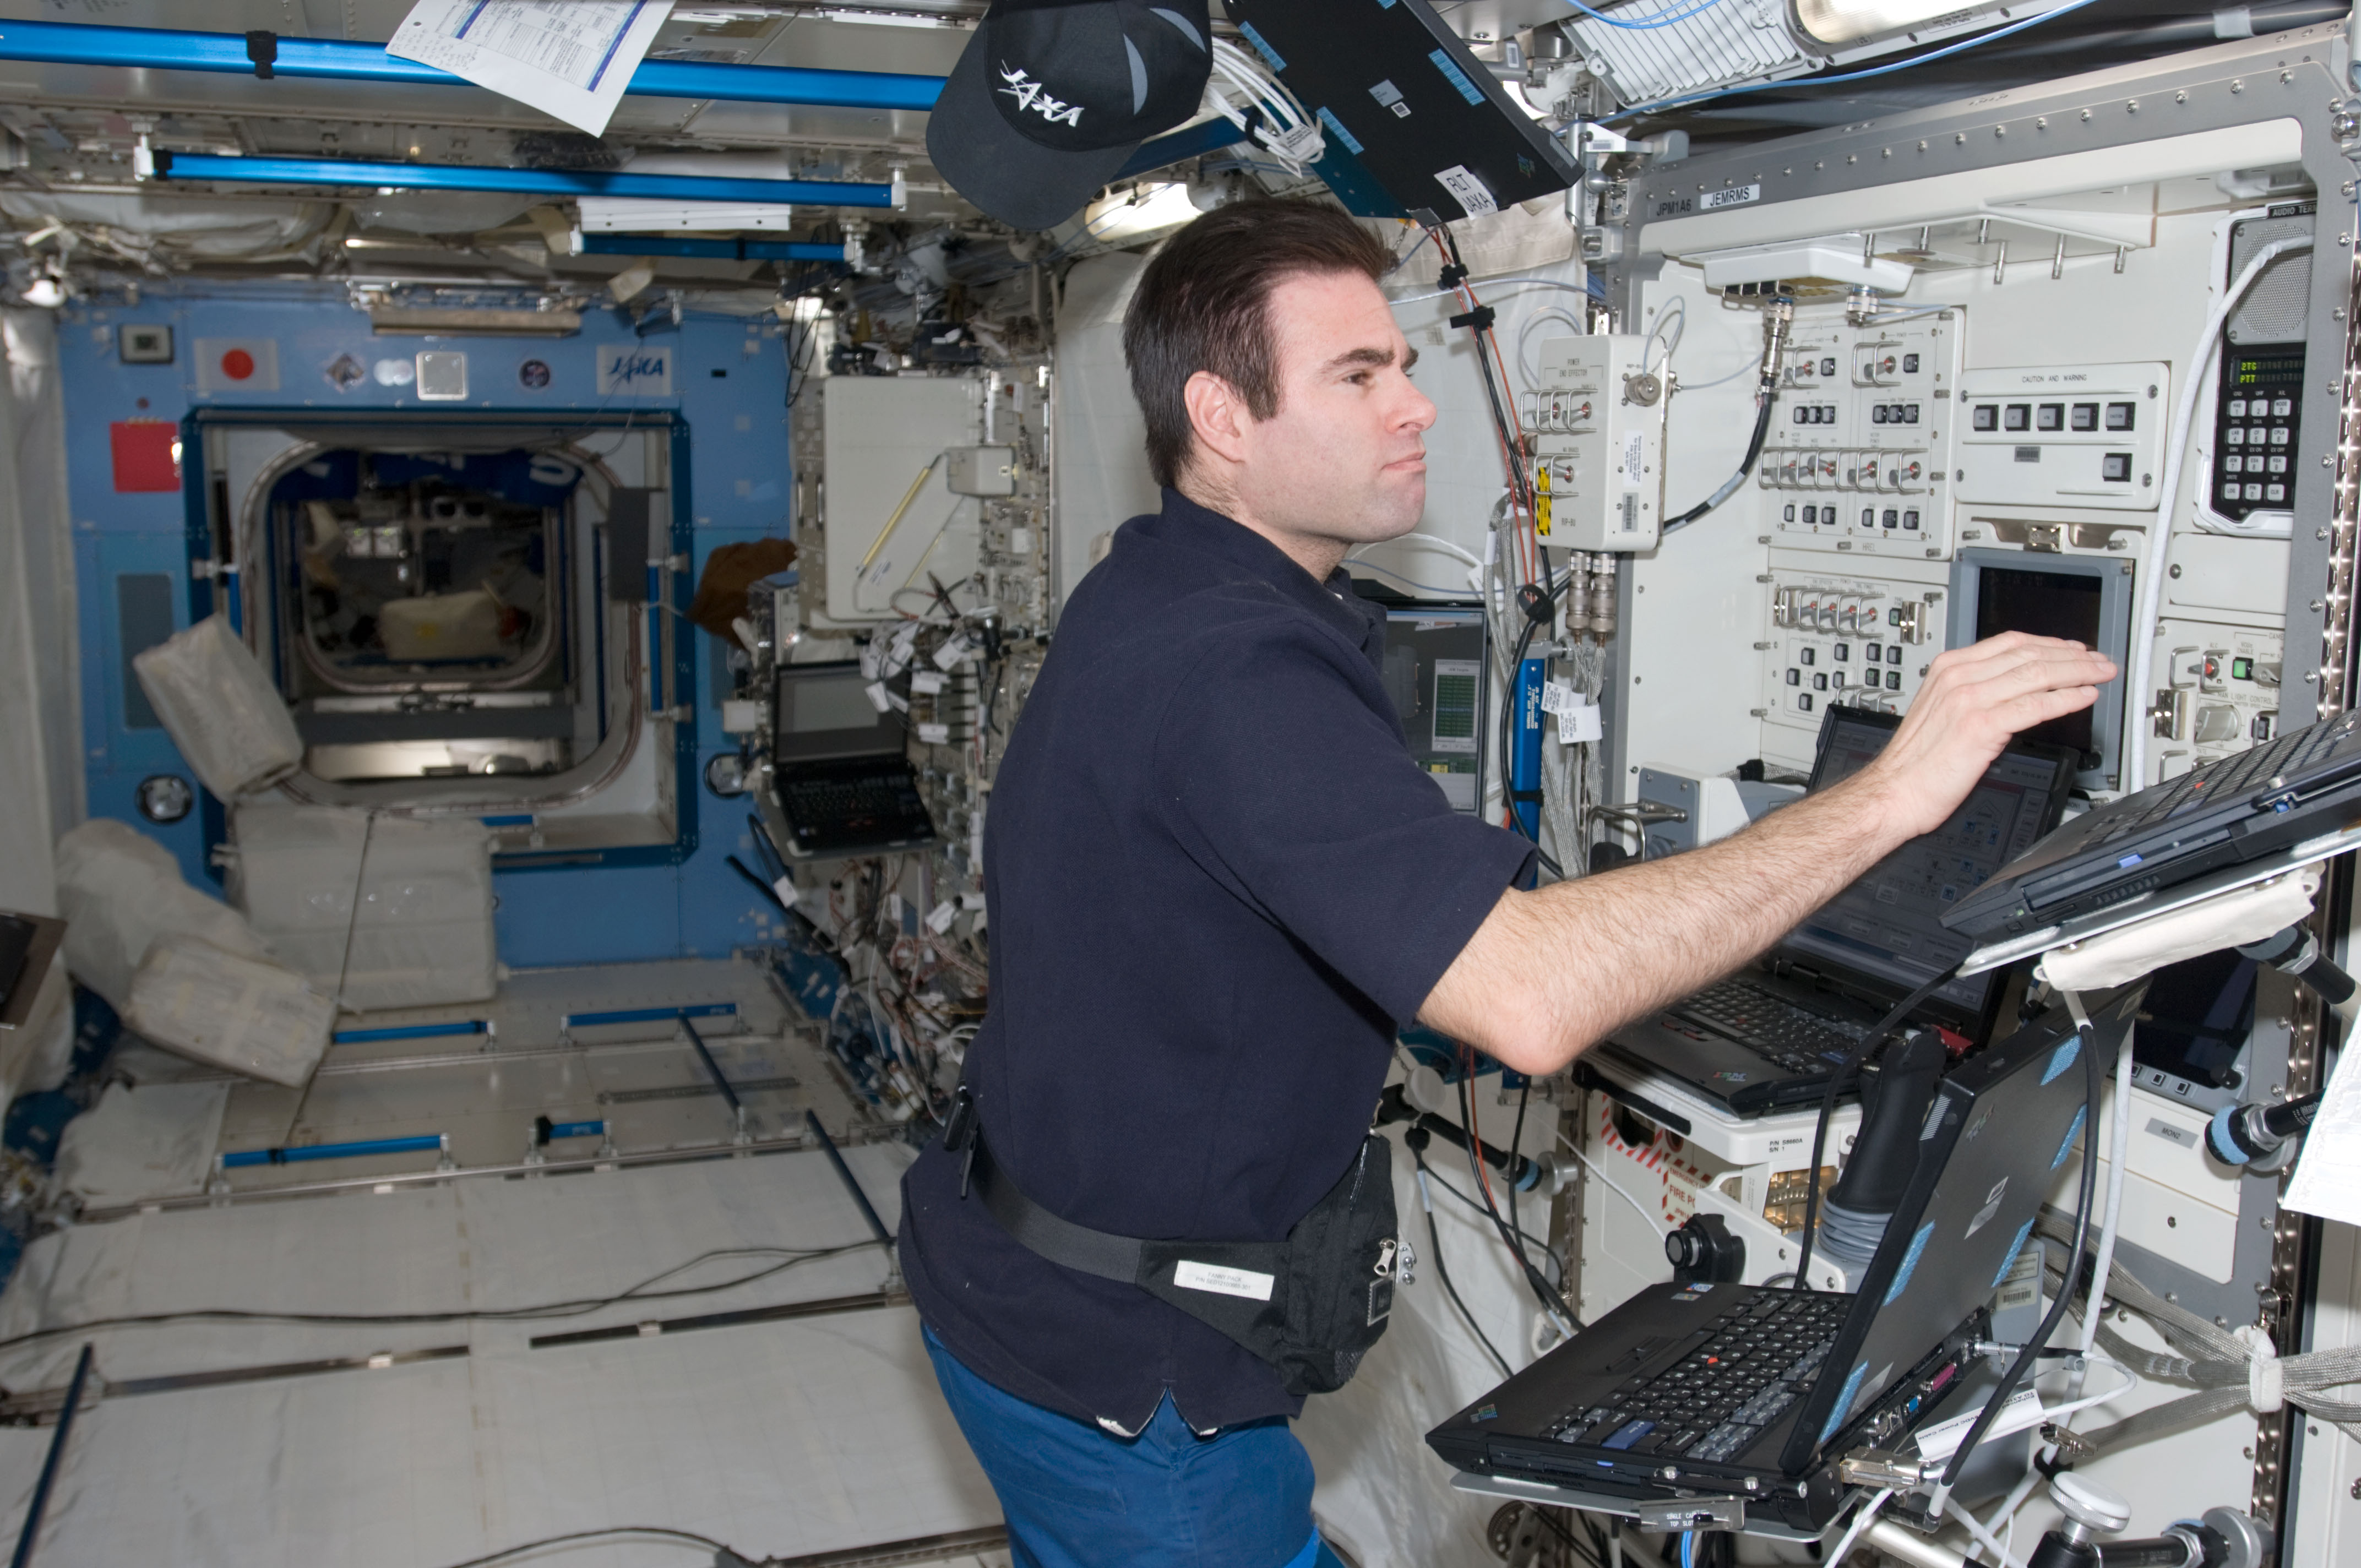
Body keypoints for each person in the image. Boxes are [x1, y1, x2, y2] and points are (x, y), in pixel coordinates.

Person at [895, 199, 2117, 1568]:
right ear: (1221, 418)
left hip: (1025, 1281)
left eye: (1403, 364)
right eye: (1357, 375)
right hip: (1132, 1381)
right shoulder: (1234, 668)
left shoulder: (1165, 587)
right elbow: (1529, 1004)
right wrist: (1889, 794)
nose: (1414, 404)